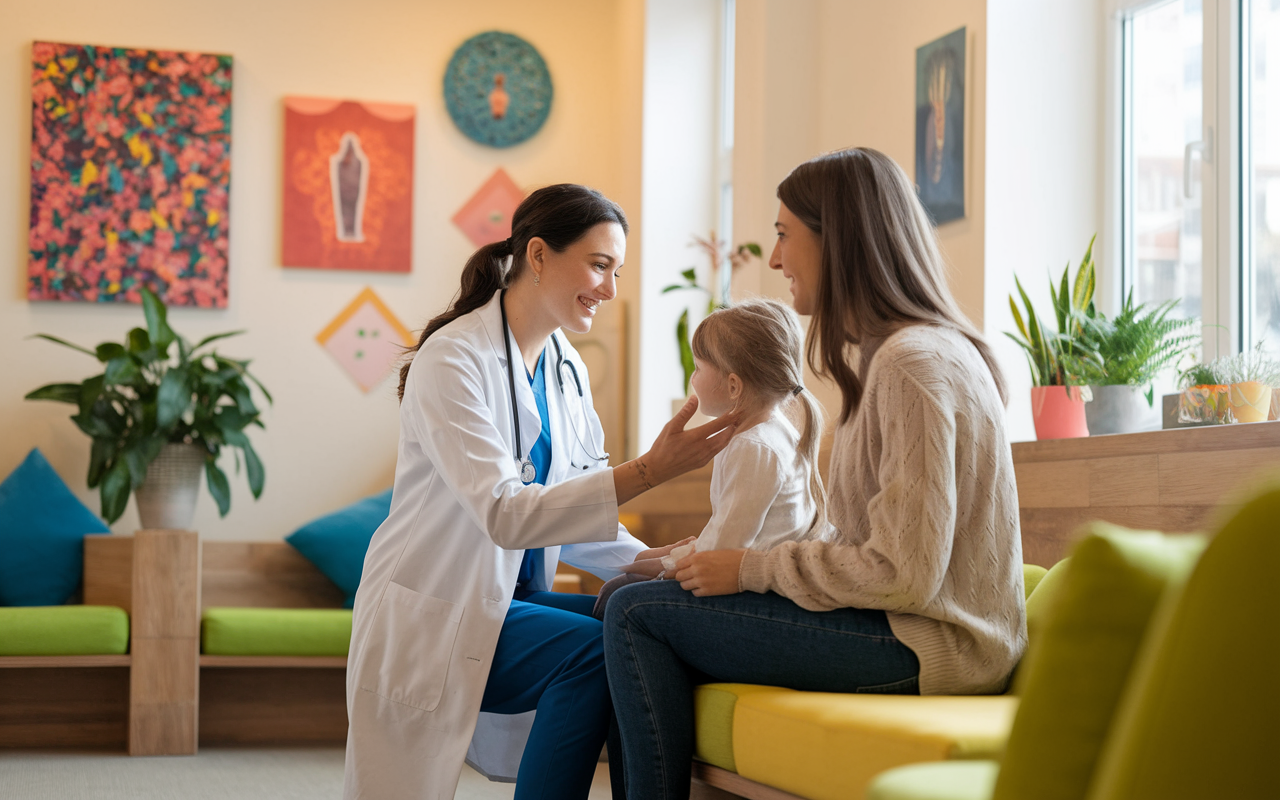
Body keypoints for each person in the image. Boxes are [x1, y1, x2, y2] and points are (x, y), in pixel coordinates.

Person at [603, 147, 1027, 800]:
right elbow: (869, 545)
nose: (773, 260)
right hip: (912, 630)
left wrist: (750, 570)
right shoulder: (896, 357)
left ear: (840, 240)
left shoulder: (911, 365)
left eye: (782, 234)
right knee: (635, 603)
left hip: (927, 647)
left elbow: (902, 572)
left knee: (635, 611)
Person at [342, 184, 740, 800]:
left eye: (617, 271)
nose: (610, 288)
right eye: (600, 265)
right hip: (439, 610)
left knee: (640, 628)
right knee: (590, 653)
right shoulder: (453, 360)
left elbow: (577, 508)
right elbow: (507, 515)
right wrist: (652, 470)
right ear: (537, 255)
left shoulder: (566, 368)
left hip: (506, 604)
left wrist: (655, 562)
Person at [592, 299, 834, 618]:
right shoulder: (772, 433)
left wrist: (667, 565)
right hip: (755, 586)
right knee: (619, 587)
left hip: (756, 599)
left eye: (698, 368)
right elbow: (728, 531)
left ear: (733, 385)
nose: (692, 379)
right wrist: (678, 555)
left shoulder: (754, 447)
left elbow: (726, 549)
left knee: (617, 593)